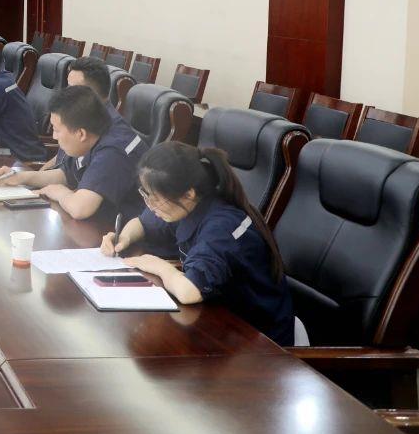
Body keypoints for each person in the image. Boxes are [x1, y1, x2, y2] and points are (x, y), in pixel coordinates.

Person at [100, 142, 295, 346]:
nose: (151, 205)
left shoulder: (222, 227)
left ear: (188, 194)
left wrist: (158, 266)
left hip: (260, 343)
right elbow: (142, 223)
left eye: (156, 198)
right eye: (146, 194)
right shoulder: (186, 204)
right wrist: (124, 237)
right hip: (219, 322)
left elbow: (189, 292)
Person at [0, 86, 146, 221]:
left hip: (131, 236)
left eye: (56, 130)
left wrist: (59, 192)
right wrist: (20, 177)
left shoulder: (113, 152)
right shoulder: (93, 132)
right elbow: (66, 174)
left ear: (80, 134)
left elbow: (80, 209)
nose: (54, 136)